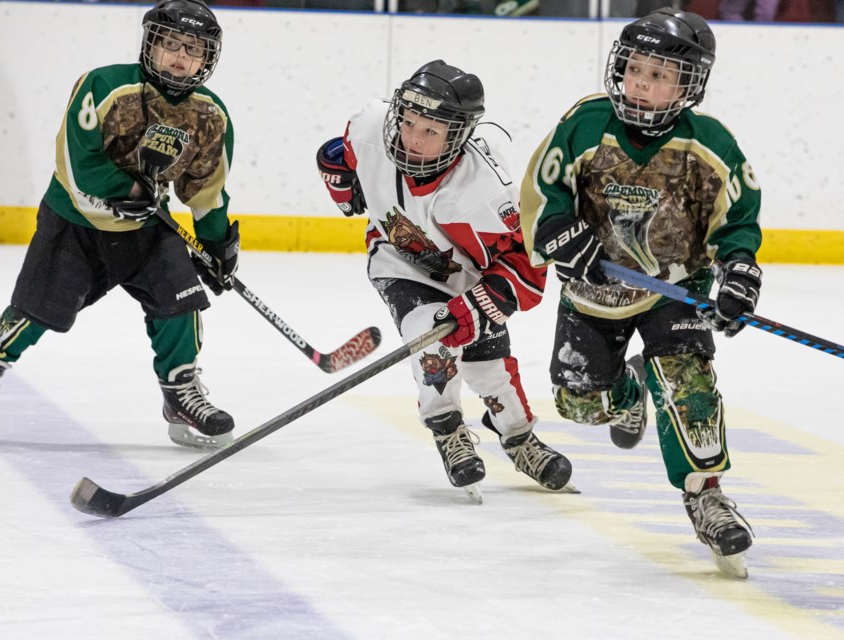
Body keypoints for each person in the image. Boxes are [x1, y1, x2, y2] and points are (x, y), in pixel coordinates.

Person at [519, 9, 761, 578]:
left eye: (660, 74)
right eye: (635, 68)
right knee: (582, 404)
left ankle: (707, 494)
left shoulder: (711, 143)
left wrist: (740, 268)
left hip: (677, 287)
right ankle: (627, 394)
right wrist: (557, 228)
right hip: (592, 290)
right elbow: (542, 186)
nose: (642, 82)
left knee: (689, 383)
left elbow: (737, 215)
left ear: (689, 85)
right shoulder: (585, 123)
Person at [0, 0, 241, 450]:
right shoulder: (104, 85)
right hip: (74, 223)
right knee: (35, 314)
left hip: (144, 229)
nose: (182, 56)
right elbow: (74, 159)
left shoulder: (210, 115)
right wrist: (130, 191)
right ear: (151, 44)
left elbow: (206, 191)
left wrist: (216, 247)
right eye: (172, 44)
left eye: (195, 49)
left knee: (180, 301)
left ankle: (181, 391)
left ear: (208, 59)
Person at [317, 60, 572, 503]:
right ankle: (448, 429)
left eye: (430, 132)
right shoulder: (371, 127)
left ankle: (518, 438)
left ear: (458, 136)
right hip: (398, 261)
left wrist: (483, 299)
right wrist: (340, 175)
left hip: (469, 277)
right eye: (409, 123)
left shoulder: (486, 192)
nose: (413, 139)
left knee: (489, 367)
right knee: (427, 332)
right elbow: (343, 152)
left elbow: (527, 270)